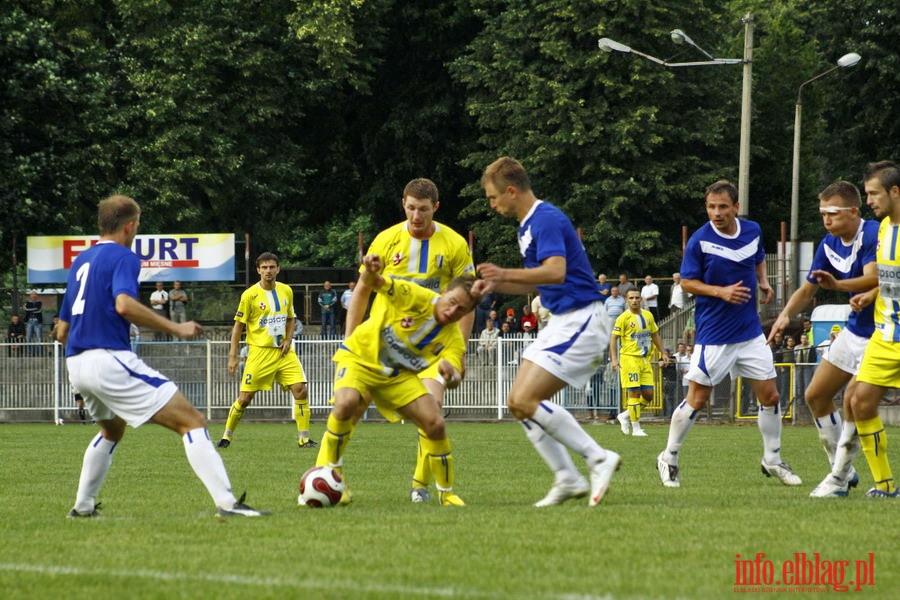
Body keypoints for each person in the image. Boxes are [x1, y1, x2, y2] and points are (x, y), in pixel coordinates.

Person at [57, 194, 267, 518]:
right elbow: (124, 305)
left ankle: (83, 507)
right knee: (193, 422)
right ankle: (228, 504)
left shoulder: (80, 263)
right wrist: (177, 328)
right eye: (137, 226)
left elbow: (61, 331)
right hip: (107, 359)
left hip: (77, 363)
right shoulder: (123, 257)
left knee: (111, 431)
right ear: (129, 226)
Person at [474, 156, 620, 507]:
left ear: (511, 191)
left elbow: (555, 272)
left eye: (493, 197)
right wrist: (490, 286)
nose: (492, 205)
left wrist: (502, 275)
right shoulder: (527, 225)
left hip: (583, 318)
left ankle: (598, 457)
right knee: (517, 403)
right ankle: (567, 477)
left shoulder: (546, 219)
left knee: (525, 401)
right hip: (563, 320)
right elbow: (543, 281)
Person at [657, 180, 800, 489]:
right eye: (711, 207)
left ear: (736, 207)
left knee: (771, 395)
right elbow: (688, 283)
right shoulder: (700, 241)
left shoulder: (752, 230)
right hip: (715, 334)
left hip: (749, 331)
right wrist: (720, 291)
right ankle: (668, 456)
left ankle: (772, 460)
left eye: (723, 206)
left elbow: (758, 256)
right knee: (697, 398)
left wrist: (763, 280)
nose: (716, 213)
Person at [343, 177, 475, 504]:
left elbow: (467, 300)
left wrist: (459, 351)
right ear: (403, 204)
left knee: (433, 408)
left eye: (424, 209)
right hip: (381, 342)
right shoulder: (386, 240)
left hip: (429, 347)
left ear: (436, 208)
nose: (417, 216)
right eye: (411, 208)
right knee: (351, 406)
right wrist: (349, 339)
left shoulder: (455, 244)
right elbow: (362, 290)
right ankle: (334, 477)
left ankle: (420, 485)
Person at [314, 254, 478, 506]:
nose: (453, 311)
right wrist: (370, 271)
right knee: (346, 403)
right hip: (360, 358)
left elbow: (455, 376)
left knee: (435, 422)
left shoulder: (453, 338)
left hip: (397, 377)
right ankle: (332, 477)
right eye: (452, 302)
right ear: (445, 292)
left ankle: (447, 493)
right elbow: (375, 282)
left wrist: (451, 376)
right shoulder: (414, 295)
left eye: (462, 310)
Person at [767, 180, 877, 497]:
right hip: (855, 329)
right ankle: (843, 467)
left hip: (882, 332)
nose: (826, 220)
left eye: (832, 213)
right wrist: (785, 314)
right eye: (822, 214)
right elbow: (808, 289)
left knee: (854, 401)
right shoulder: (828, 243)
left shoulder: (872, 234)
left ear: (854, 211)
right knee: (816, 395)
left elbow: (874, 275)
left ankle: (839, 478)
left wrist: (842, 288)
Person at [823, 160, 900, 498]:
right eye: (866, 194)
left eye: (874, 193)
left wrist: (841, 286)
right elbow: (888, 276)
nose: (869, 200)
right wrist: (871, 293)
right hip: (885, 336)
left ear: (895, 192)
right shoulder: (884, 228)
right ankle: (885, 486)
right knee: (858, 401)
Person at [220, 252, 315, 449]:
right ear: (258, 270)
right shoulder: (250, 295)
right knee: (245, 398)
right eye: (264, 268)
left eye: (271, 267)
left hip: (283, 352)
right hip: (259, 352)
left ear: (278, 269)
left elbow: (291, 318)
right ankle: (226, 437)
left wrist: (289, 338)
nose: (268, 271)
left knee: (301, 390)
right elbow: (238, 326)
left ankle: (304, 439)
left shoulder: (286, 291)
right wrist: (233, 355)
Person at [610, 289, 668, 437]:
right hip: (629, 359)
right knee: (634, 393)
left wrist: (663, 353)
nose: (634, 300)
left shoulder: (648, 315)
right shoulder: (623, 318)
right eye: (631, 298)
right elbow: (613, 338)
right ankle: (636, 429)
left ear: (641, 299)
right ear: (627, 300)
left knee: (649, 395)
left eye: (637, 297)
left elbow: (655, 335)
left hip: (645, 360)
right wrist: (615, 360)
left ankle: (625, 416)